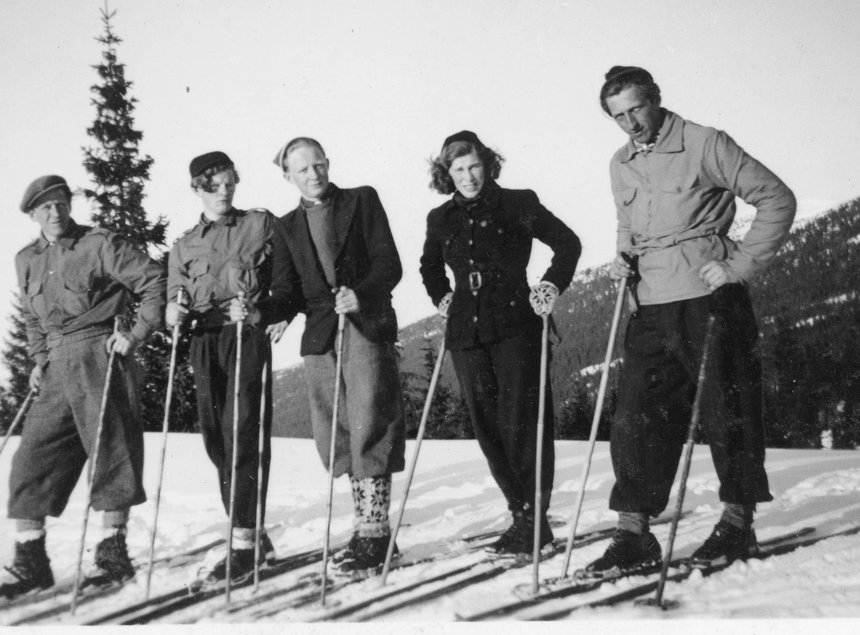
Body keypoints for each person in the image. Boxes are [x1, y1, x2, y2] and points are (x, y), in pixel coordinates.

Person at [585, 66, 796, 577]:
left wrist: (739, 265)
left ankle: (736, 522)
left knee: (729, 409)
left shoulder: (705, 143)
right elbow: (627, 222)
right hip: (650, 303)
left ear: (656, 99)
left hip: (708, 298)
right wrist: (622, 256)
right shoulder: (621, 162)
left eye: (636, 108)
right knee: (635, 418)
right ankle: (633, 534)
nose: (630, 123)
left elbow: (777, 199)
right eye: (618, 116)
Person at [0, 175, 166, 598]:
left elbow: (153, 281)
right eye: (45, 208)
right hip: (56, 364)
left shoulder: (98, 244)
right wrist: (39, 361)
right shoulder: (26, 260)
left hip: (99, 354)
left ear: (68, 205)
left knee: (112, 451)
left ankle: (113, 554)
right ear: (32, 215)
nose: (55, 213)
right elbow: (32, 319)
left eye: (60, 204)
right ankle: (31, 561)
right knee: (32, 459)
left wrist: (135, 333)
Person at [419, 131, 582, 558]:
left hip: (515, 326)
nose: (468, 176)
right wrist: (441, 295)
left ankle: (534, 521)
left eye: (474, 166)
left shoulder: (518, 203)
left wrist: (550, 285)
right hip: (466, 335)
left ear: (487, 164)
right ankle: (519, 513)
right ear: (446, 173)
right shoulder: (440, 218)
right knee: (488, 429)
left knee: (523, 424)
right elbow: (428, 265)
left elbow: (568, 243)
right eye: (457, 169)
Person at [259, 137, 408, 575]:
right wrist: (261, 311)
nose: (314, 174)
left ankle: (376, 535)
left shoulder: (361, 201)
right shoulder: (286, 227)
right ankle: (366, 527)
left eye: (318, 164)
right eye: (302, 169)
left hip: (363, 325)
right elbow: (287, 292)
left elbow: (389, 262)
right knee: (337, 433)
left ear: (328, 163)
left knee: (370, 424)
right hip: (322, 337)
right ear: (288, 176)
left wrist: (361, 295)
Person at [165, 152, 280, 584]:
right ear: (196, 188)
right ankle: (253, 533)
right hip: (203, 340)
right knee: (217, 438)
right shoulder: (183, 245)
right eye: (212, 185)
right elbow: (175, 294)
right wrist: (171, 315)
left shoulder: (260, 225)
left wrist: (269, 310)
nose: (223, 192)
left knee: (243, 429)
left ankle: (245, 544)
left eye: (229, 182)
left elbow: (285, 276)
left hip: (243, 332)